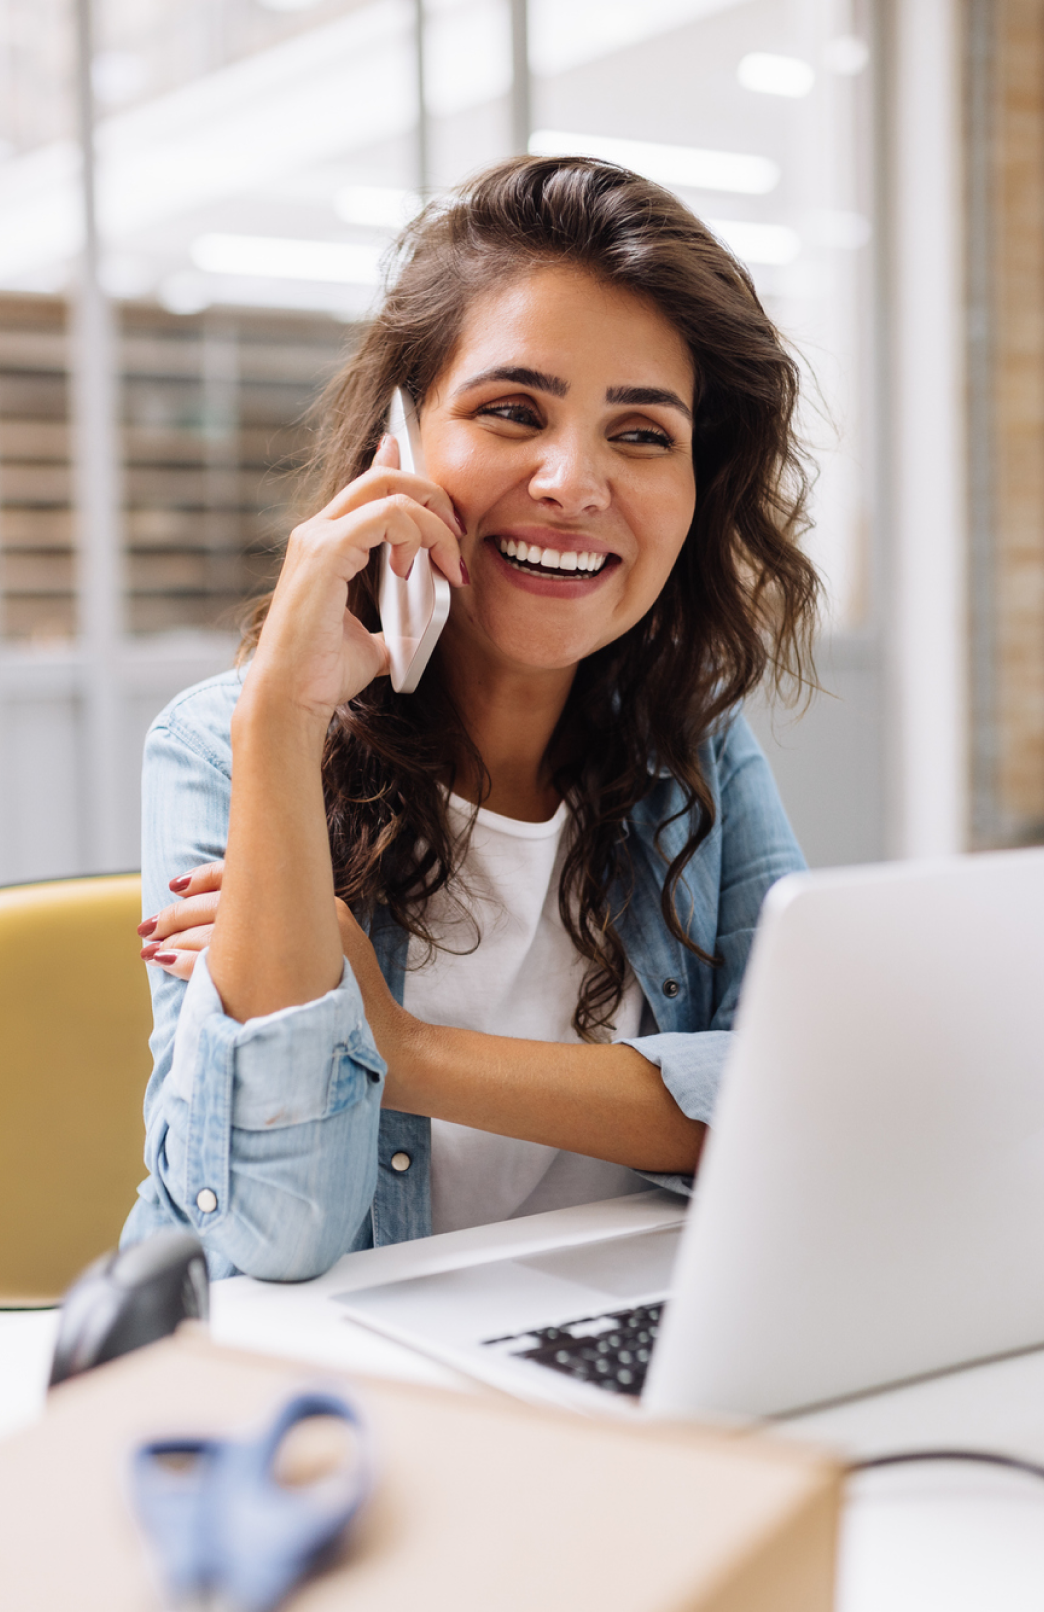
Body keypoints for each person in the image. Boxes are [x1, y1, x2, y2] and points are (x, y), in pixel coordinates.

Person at [124, 156, 818, 1280]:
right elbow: (269, 1233)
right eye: (511, 411)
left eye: (642, 434)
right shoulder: (226, 742)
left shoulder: (690, 748)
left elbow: (793, 1105)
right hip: (318, 1388)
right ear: (395, 448)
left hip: (594, 1341)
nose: (571, 481)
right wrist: (282, 718)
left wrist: (403, 1050)